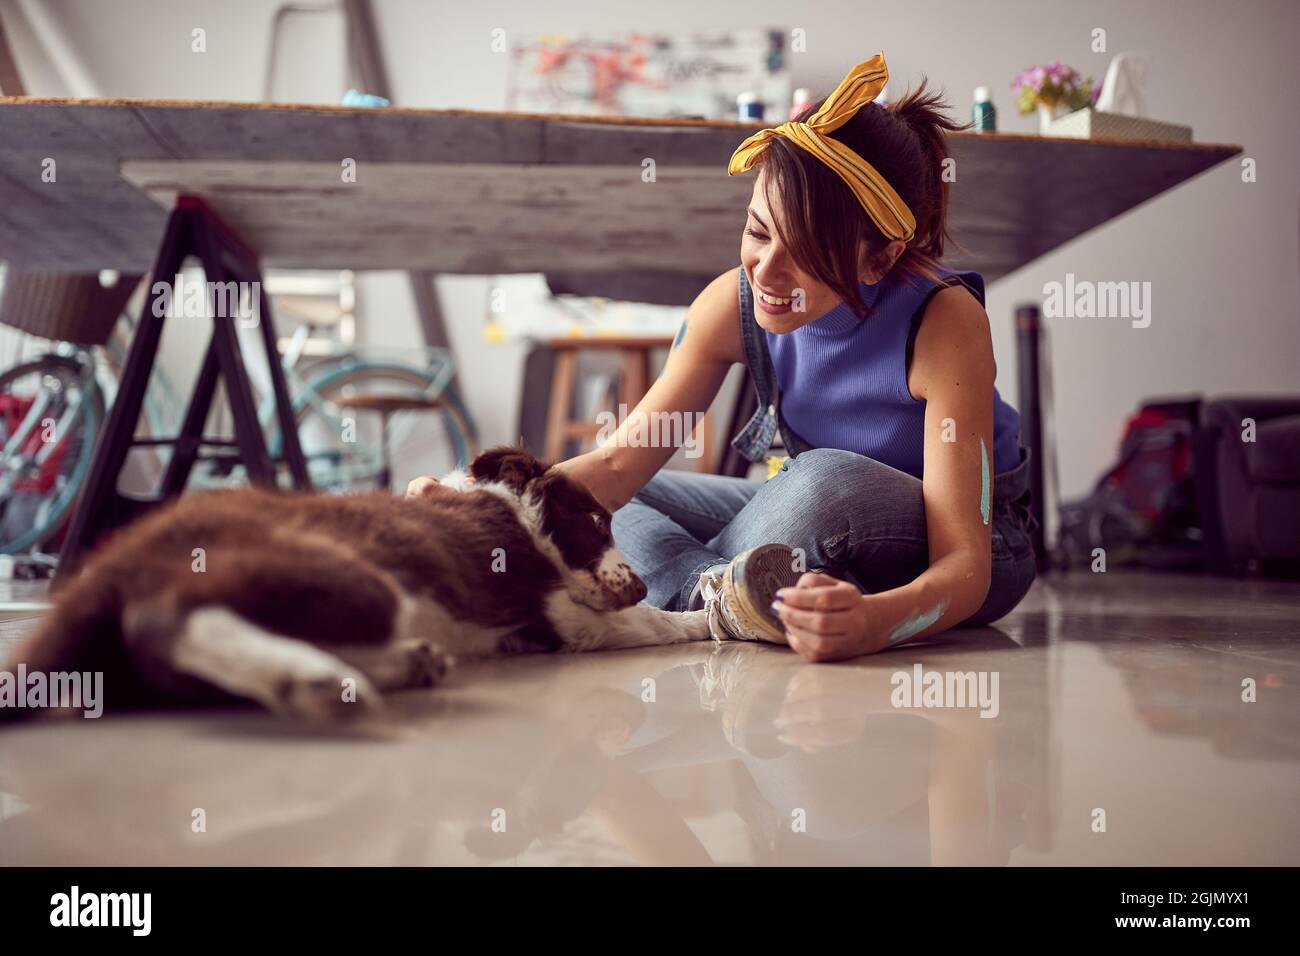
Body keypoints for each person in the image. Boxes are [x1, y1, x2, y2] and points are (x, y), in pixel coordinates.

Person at [410, 53, 1037, 662]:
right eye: (758, 232)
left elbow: (966, 566)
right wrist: (475, 506)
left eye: (806, 255)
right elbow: (621, 464)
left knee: (821, 479)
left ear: (882, 257)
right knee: (625, 501)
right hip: (803, 515)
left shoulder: (944, 322)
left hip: (971, 544)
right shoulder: (727, 306)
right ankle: (727, 596)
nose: (766, 270)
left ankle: (696, 581)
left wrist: (875, 624)